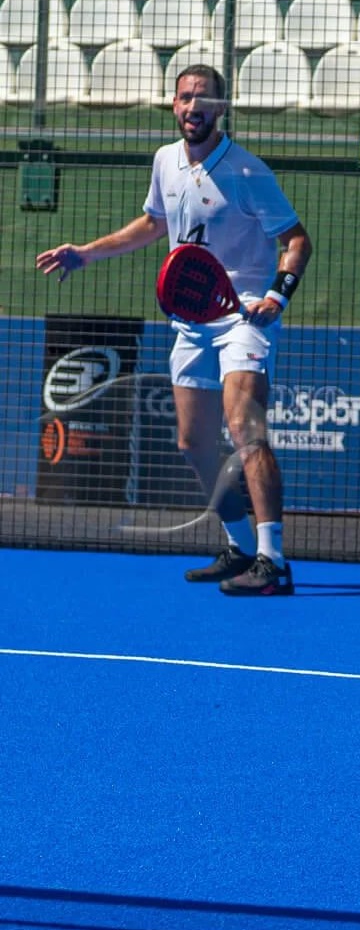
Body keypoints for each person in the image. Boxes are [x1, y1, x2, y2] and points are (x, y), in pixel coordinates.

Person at [36, 64, 313, 597]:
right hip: (190, 320)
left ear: (221, 109)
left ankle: (273, 560)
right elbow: (153, 224)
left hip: (243, 316)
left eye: (203, 99)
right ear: (174, 105)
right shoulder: (166, 160)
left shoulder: (248, 172)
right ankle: (238, 547)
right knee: (193, 444)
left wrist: (277, 294)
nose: (193, 108)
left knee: (245, 429)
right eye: (185, 98)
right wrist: (85, 253)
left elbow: (296, 240)